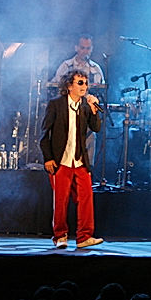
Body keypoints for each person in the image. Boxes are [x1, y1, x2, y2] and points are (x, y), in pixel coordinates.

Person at [39, 69, 104, 249]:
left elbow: (96, 128)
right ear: (69, 86)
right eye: (80, 83)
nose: (84, 86)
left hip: (80, 160)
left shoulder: (85, 106)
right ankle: (60, 236)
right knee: (60, 200)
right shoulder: (56, 105)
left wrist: (93, 110)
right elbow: (44, 134)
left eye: (86, 82)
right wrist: (48, 158)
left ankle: (84, 237)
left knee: (86, 198)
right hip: (61, 160)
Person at [50, 34, 105, 170]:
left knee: (89, 143)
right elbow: (54, 86)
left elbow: (102, 89)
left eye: (88, 48)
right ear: (76, 48)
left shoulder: (96, 69)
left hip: (87, 113)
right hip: (68, 112)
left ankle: (87, 173)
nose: (85, 51)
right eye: (82, 48)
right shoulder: (66, 66)